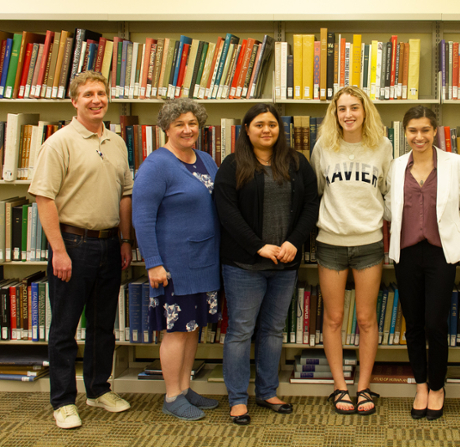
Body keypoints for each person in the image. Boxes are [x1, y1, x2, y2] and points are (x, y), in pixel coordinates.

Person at [28, 71, 133, 429]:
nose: (96, 100)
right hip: (72, 245)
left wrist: (123, 239)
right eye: (88, 94)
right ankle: (62, 401)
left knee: (103, 326)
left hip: (108, 244)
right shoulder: (59, 143)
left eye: (101, 93)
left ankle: (98, 389)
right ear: (74, 101)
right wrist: (58, 251)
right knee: (65, 328)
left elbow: (125, 194)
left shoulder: (117, 142)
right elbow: (44, 198)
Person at [214, 104, 319, 425]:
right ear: (247, 130)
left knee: (273, 331)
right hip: (244, 265)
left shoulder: (297, 163)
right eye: (259, 124)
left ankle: (268, 391)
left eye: (272, 124)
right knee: (241, 331)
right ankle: (236, 399)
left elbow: (312, 205)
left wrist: (292, 243)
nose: (266, 130)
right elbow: (227, 213)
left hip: (285, 263)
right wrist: (259, 246)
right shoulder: (233, 165)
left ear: (279, 129)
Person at [132, 98, 221, 421]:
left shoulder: (207, 160)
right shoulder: (156, 165)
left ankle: (185, 388)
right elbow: (142, 218)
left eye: (192, 123)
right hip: (175, 265)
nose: (187, 130)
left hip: (205, 261)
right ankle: (171, 395)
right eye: (179, 124)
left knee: (192, 328)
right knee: (176, 330)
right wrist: (153, 263)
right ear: (166, 128)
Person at [384, 106, 460, 420]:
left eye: (425, 130)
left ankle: (437, 387)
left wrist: (454, 227)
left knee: (436, 324)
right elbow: (388, 206)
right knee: (415, 325)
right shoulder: (396, 166)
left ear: (435, 131)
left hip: (440, 254)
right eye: (413, 130)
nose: (419, 136)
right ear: (404, 133)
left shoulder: (453, 163)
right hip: (406, 254)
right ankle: (420, 385)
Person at [311, 86, 392, 415]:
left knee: (366, 318)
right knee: (333, 318)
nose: (348, 114)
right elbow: (319, 190)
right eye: (341, 108)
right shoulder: (323, 147)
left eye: (354, 108)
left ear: (365, 111)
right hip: (330, 243)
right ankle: (340, 388)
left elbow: (386, 191)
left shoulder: (383, 147)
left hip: (369, 242)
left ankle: (364, 388)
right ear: (334, 113)